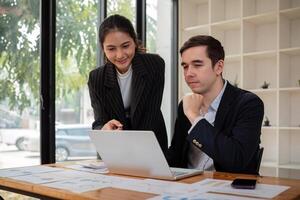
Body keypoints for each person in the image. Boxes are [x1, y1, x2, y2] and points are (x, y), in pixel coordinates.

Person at [166, 35, 264, 174]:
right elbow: (176, 155)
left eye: (197, 65)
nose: (188, 73)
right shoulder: (186, 104)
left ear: (218, 67)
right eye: (185, 66)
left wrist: (194, 117)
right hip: (188, 186)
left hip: (229, 189)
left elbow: (237, 161)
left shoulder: (248, 103)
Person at [88, 14, 168, 152]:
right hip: (116, 147)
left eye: (125, 46)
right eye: (111, 49)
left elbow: (151, 113)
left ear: (134, 42)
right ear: (103, 49)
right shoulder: (96, 78)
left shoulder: (155, 65)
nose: (120, 55)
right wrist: (104, 128)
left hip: (150, 144)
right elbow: (99, 121)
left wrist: (133, 150)